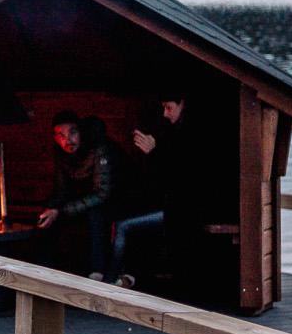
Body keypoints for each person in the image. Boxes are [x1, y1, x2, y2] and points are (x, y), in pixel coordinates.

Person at [110, 96, 188, 287]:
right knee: (126, 216)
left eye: (169, 108)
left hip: (183, 209)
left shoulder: (189, 135)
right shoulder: (171, 132)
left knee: (124, 225)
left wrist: (154, 152)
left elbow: (179, 178)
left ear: (182, 104)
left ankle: (109, 283)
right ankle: (128, 277)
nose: (165, 114)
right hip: (169, 205)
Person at [34, 111, 117, 279]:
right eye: (61, 136)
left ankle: (97, 274)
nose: (68, 140)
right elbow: (61, 190)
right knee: (48, 218)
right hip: (86, 200)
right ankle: (43, 275)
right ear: (56, 138)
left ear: (81, 131)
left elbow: (103, 192)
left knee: (96, 213)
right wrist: (50, 211)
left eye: (72, 133)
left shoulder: (100, 147)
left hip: (119, 199)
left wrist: (62, 211)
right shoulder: (61, 153)